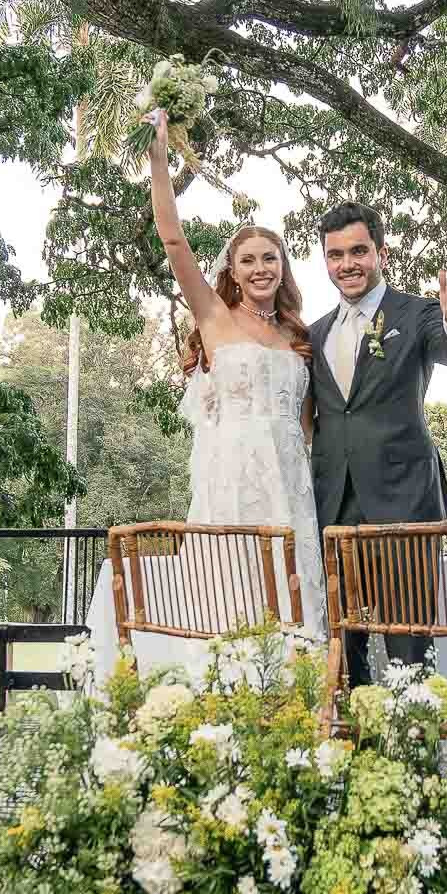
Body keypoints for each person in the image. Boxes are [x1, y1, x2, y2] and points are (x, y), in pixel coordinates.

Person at [143, 107, 326, 633]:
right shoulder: (216, 320)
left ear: (283, 267)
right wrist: (160, 158)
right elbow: (174, 242)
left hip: (290, 479)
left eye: (270, 258)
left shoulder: (300, 338)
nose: (260, 268)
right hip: (232, 474)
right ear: (234, 270)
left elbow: (311, 427)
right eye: (248, 260)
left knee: (292, 594)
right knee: (232, 596)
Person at [308, 200, 447, 685]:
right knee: (343, 649)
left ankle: (415, 750)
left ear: (381, 252)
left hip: (405, 504)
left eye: (358, 251)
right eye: (335, 255)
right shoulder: (316, 333)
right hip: (335, 508)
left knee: (409, 647)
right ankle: (354, 751)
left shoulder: (418, 312)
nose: (347, 264)